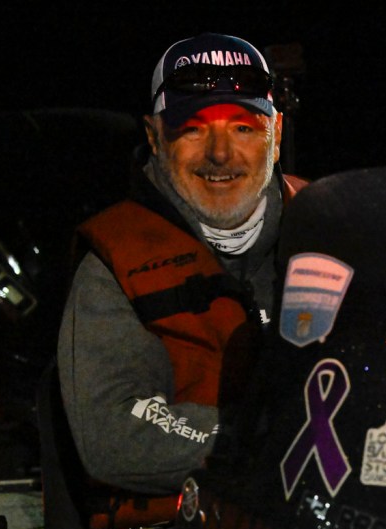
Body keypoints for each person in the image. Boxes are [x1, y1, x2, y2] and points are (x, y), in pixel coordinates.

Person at [57, 32, 307, 498]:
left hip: (325, 518)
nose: (219, 153)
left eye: (243, 128)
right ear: (155, 138)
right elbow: (113, 436)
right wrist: (273, 439)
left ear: (276, 138)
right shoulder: (112, 265)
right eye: (193, 128)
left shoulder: (332, 232)